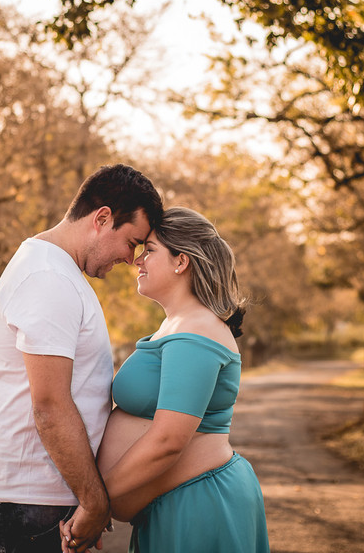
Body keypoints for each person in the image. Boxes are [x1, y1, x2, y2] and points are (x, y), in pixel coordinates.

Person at [0, 163, 165, 553]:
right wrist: (94, 500)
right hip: (29, 501)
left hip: (41, 498)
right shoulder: (48, 278)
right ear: (102, 218)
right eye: (131, 242)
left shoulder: (56, 271)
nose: (131, 259)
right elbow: (50, 406)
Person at [62, 206, 269, 553]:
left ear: (181, 261)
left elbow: (169, 439)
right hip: (176, 502)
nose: (137, 261)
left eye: (150, 250)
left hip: (198, 503)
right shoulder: (178, 324)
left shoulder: (197, 328)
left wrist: (95, 503)